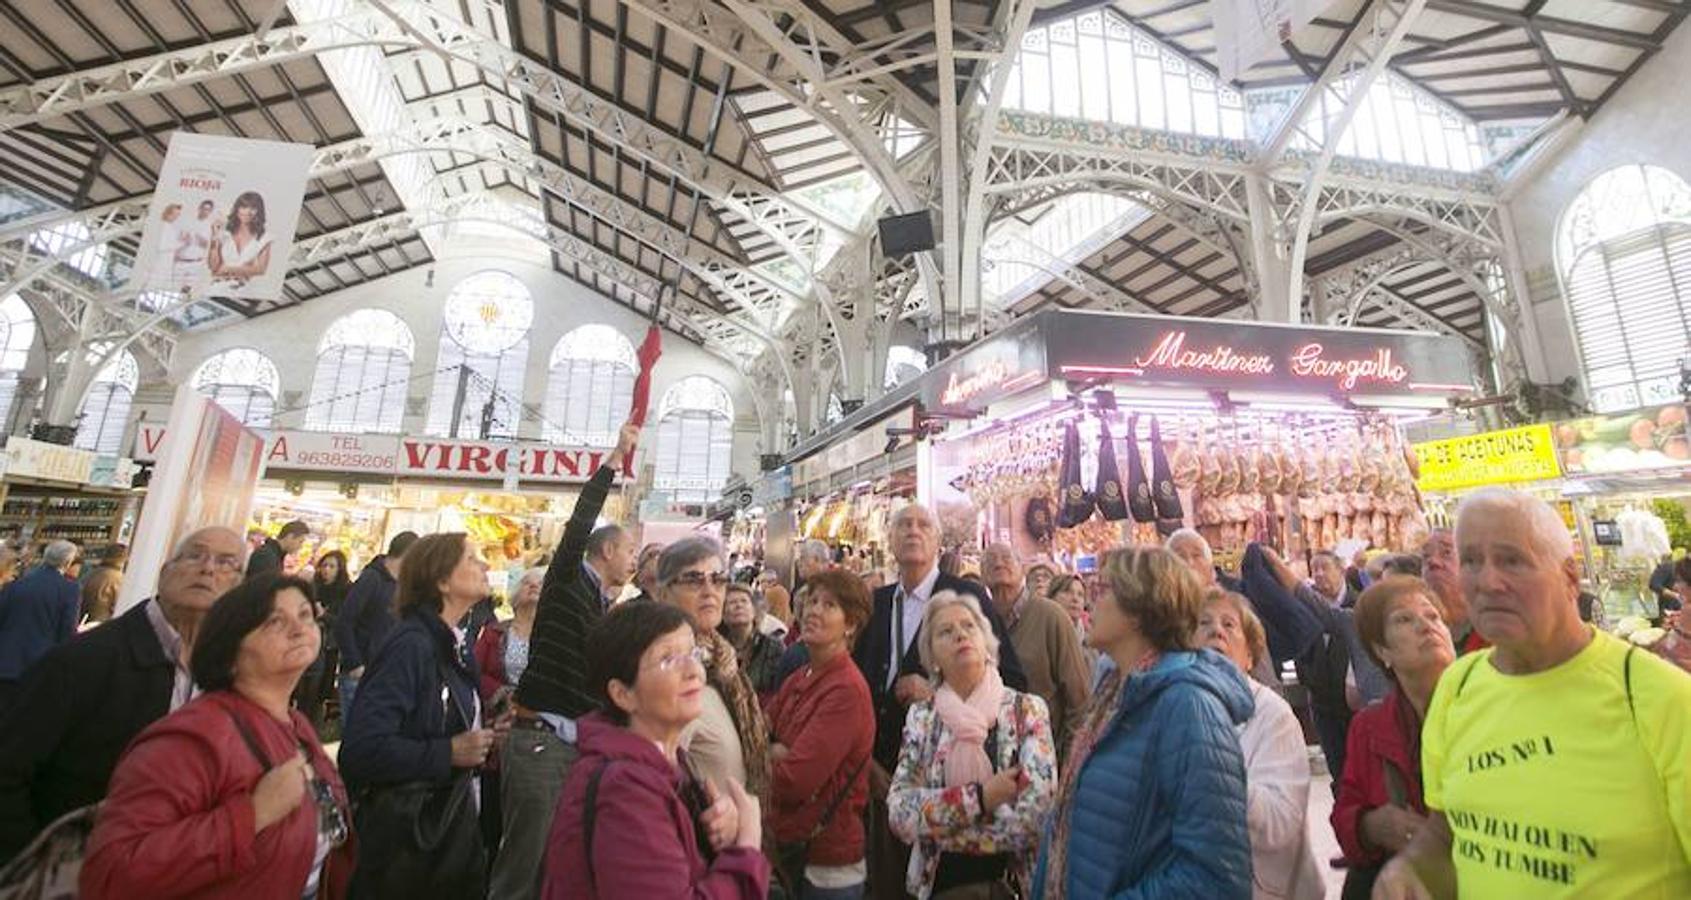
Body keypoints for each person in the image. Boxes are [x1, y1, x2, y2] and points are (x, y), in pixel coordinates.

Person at [1375, 489, 1691, 899]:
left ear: (1569, 578)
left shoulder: (1658, 698)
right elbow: (1446, 828)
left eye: (1512, 560)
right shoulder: (1458, 686)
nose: (1488, 581)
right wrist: (1412, 866)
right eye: (1471, 560)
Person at [79, 574, 353, 899]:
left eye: (305, 614)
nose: (299, 629)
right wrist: (253, 815)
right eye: (274, 622)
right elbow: (111, 873)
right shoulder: (191, 739)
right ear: (230, 651)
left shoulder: (296, 725)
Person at [0, 527, 246, 859]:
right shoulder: (84, 661)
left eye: (226, 562)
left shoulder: (230, 673)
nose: (208, 568)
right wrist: (39, 864)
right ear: (164, 572)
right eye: (194, 555)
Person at [1033, 546, 1252, 898]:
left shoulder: (1188, 706)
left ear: (1138, 610)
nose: (1090, 599)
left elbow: (1216, 877)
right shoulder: (1111, 696)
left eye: (1104, 589)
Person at [490, 423, 639, 900]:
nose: (633, 560)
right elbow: (579, 524)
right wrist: (614, 457)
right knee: (523, 867)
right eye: (630, 551)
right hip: (539, 745)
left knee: (553, 865)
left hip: (566, 742)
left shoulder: (601, 604)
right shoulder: (567, 582)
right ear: (609, 550)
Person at [854, 504, 1026, 900]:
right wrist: (868, 763)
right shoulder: (878, 603)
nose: (913, 531)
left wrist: (934, 691)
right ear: (891, 540)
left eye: (923, 525)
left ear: (937, 540)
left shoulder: (964, 595)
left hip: (945, 784)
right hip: (878, 778)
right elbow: (860, 684)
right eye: (904, 525)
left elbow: (1011, 679)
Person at [539, 602, 768, 899]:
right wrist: (747, 848)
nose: (693, 671)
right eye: (668, 659)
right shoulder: (625, 788)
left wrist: (714, 837)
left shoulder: (665, 762)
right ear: (623, 694)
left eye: (693, 653)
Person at [339, 532, 497, 895]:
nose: (485, 565)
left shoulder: (452, 644)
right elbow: (362, 749)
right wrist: (449, 751)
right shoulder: (411, 645)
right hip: (409, 845)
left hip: (444, 833)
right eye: (472, 559)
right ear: (442, 580)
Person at [887, 591, 1058, 899]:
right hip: (939, 886)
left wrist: (938, 820)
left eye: (969, 626)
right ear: (933, 658)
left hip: (1009, 885)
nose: (960, 635)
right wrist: (981, 798)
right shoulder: (922, 717)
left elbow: (1034, 816)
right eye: (945, 631)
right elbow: (900, 814)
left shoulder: (1026, 710)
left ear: (987, 643)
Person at [1196, 589, 1324, 900]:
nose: (1217, 630)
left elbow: (1280, 822)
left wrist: (1214, 773)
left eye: (1229, 625)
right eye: (1203, 623)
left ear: (1250, 656)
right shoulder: (1176, 708)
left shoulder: (1271, 715)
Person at [1329, 577, 1453, 899]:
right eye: (1404, 619)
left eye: (1433, 616)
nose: (1426, 626)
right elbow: (1344, 815)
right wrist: (1371, 826)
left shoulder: (1485, 707)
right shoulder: (1368, 727)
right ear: (1381, 650)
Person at [766, 569, 875, 899]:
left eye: (829, 605)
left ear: (851, 624)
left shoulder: (846, 690)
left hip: (826, 864)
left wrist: (775, 751)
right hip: (790, 848)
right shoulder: (799, 676)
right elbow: (756, 731)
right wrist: (775, 750)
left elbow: (794, 781)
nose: (814, 611)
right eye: (812, 601)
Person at [655, 536, 771, 800]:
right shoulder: (669, 671)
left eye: (718, 579)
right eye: (694, 580)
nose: (709, 590)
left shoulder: (722, 661)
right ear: (663, 594)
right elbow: (653, 779)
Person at [980, 543, 1091, 755]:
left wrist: (1067, 761)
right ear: (982, 574)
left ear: (1021, 568)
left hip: (1044, 754)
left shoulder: (1051, 616)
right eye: (990, 559)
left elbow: (1079, 700)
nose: (999, 562)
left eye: (1006, 557)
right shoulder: (978, 621)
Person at [475, 566, 543, 854]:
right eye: (528, 582)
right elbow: (474, 672)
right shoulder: (495, 632)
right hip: (499, 719)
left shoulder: (551, 636)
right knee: (494, 795)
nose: (533, 587)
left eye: (540, 583)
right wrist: (502, 694)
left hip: (536, 724)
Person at [333, 530, 419, 723]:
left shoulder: (402, 585)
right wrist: (355, 663)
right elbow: (344, 621)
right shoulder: (372, 578)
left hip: (383, 672)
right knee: (356, 730)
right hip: (360, 671)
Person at [0, 540, 82, 707]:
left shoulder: (16, 584)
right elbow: (65, 630)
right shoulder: (69, 589)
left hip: (5, 659)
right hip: (38, 664)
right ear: (67, 563)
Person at [1418, 528, 1485, 655]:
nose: (1432, 561)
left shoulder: (1496, 628)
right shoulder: (1419, 633)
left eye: (1446, 553)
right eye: (1425, 556)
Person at [719, 583, 784, 699]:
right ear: (723, 615)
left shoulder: (773, 646)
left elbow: (779, 691)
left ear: (754, 611)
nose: (739, 605)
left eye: (744, 601)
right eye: (732, 602)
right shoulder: (716, 649)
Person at [207, 190, 273, 283]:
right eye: (244, 207)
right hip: (217, 285)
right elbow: (213, 267)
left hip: (245, 288)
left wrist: (226, 269)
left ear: (259, 211)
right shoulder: (224, 234)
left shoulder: (264, 237)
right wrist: (214, 237)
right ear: (237, 209)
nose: (248, 212)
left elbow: (261, 269)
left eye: (253, 208)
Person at [77, 544, 127, 627]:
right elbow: (119, 605)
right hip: (102, 623)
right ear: (123, 559)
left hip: (83, 621)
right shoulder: (118, 578)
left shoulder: (91, 573)